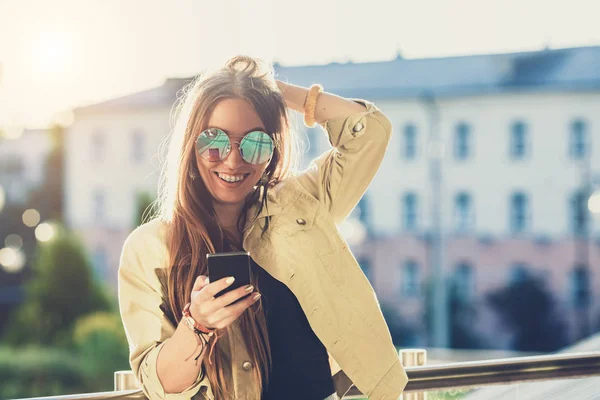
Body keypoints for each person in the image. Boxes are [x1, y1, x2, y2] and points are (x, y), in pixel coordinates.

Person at [118, 55, 408, 400]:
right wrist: (197, 324)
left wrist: (271, 91)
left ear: (273, 150)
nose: (233, 160)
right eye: (214, 141)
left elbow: (369, 131)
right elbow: (159, 384)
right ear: (190, 146)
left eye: (256, 143)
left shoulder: (301, 204)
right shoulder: (149, 248)